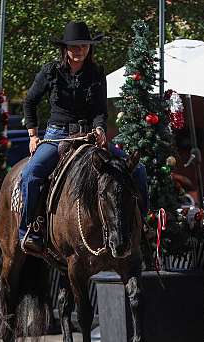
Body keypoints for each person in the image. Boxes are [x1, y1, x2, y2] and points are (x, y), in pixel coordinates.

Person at [20, 21, 148, 255]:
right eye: (74, 46)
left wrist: (100, 129)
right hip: (57, 136)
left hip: (89, 135)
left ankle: (143, 226)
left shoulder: (97, 73)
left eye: (84, 46)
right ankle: (29, 231)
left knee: (138, 170)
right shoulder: (51, 71)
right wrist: (32, 135)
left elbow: (100, 110)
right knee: (31, 174)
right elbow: (30, 102)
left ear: (90, 47)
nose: (79, 50)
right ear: (65, 48)